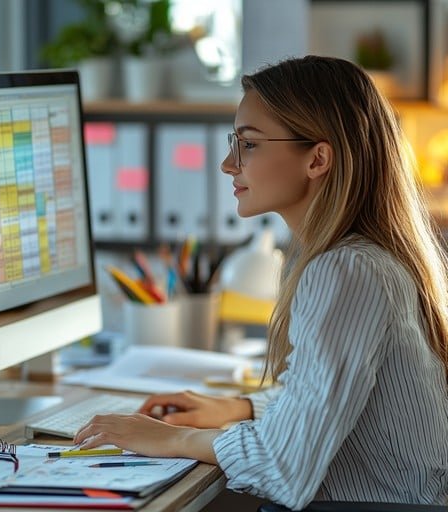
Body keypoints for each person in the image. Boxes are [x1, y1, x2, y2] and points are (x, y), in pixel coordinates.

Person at [75, 56, 448, 508]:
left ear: (317, 159)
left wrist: (173, 439)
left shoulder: (347, 272)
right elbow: (328, 401)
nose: (228, 164)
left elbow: (283, 465)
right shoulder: (360, 259)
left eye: (248, 145)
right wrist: (241, 408)